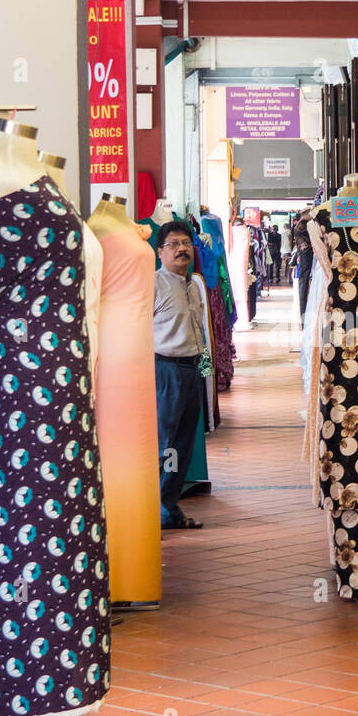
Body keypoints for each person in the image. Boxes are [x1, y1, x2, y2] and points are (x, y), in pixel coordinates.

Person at [153, 220, 206, 530]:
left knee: (181, 445)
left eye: (186, 243)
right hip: (166, 372)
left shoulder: (194, 284)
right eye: (173, 244)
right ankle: (156, 509)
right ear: (161, 252)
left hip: (191, 370)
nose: (182, 249)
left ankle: (169, 506)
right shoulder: (154, 285)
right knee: (165, 444)